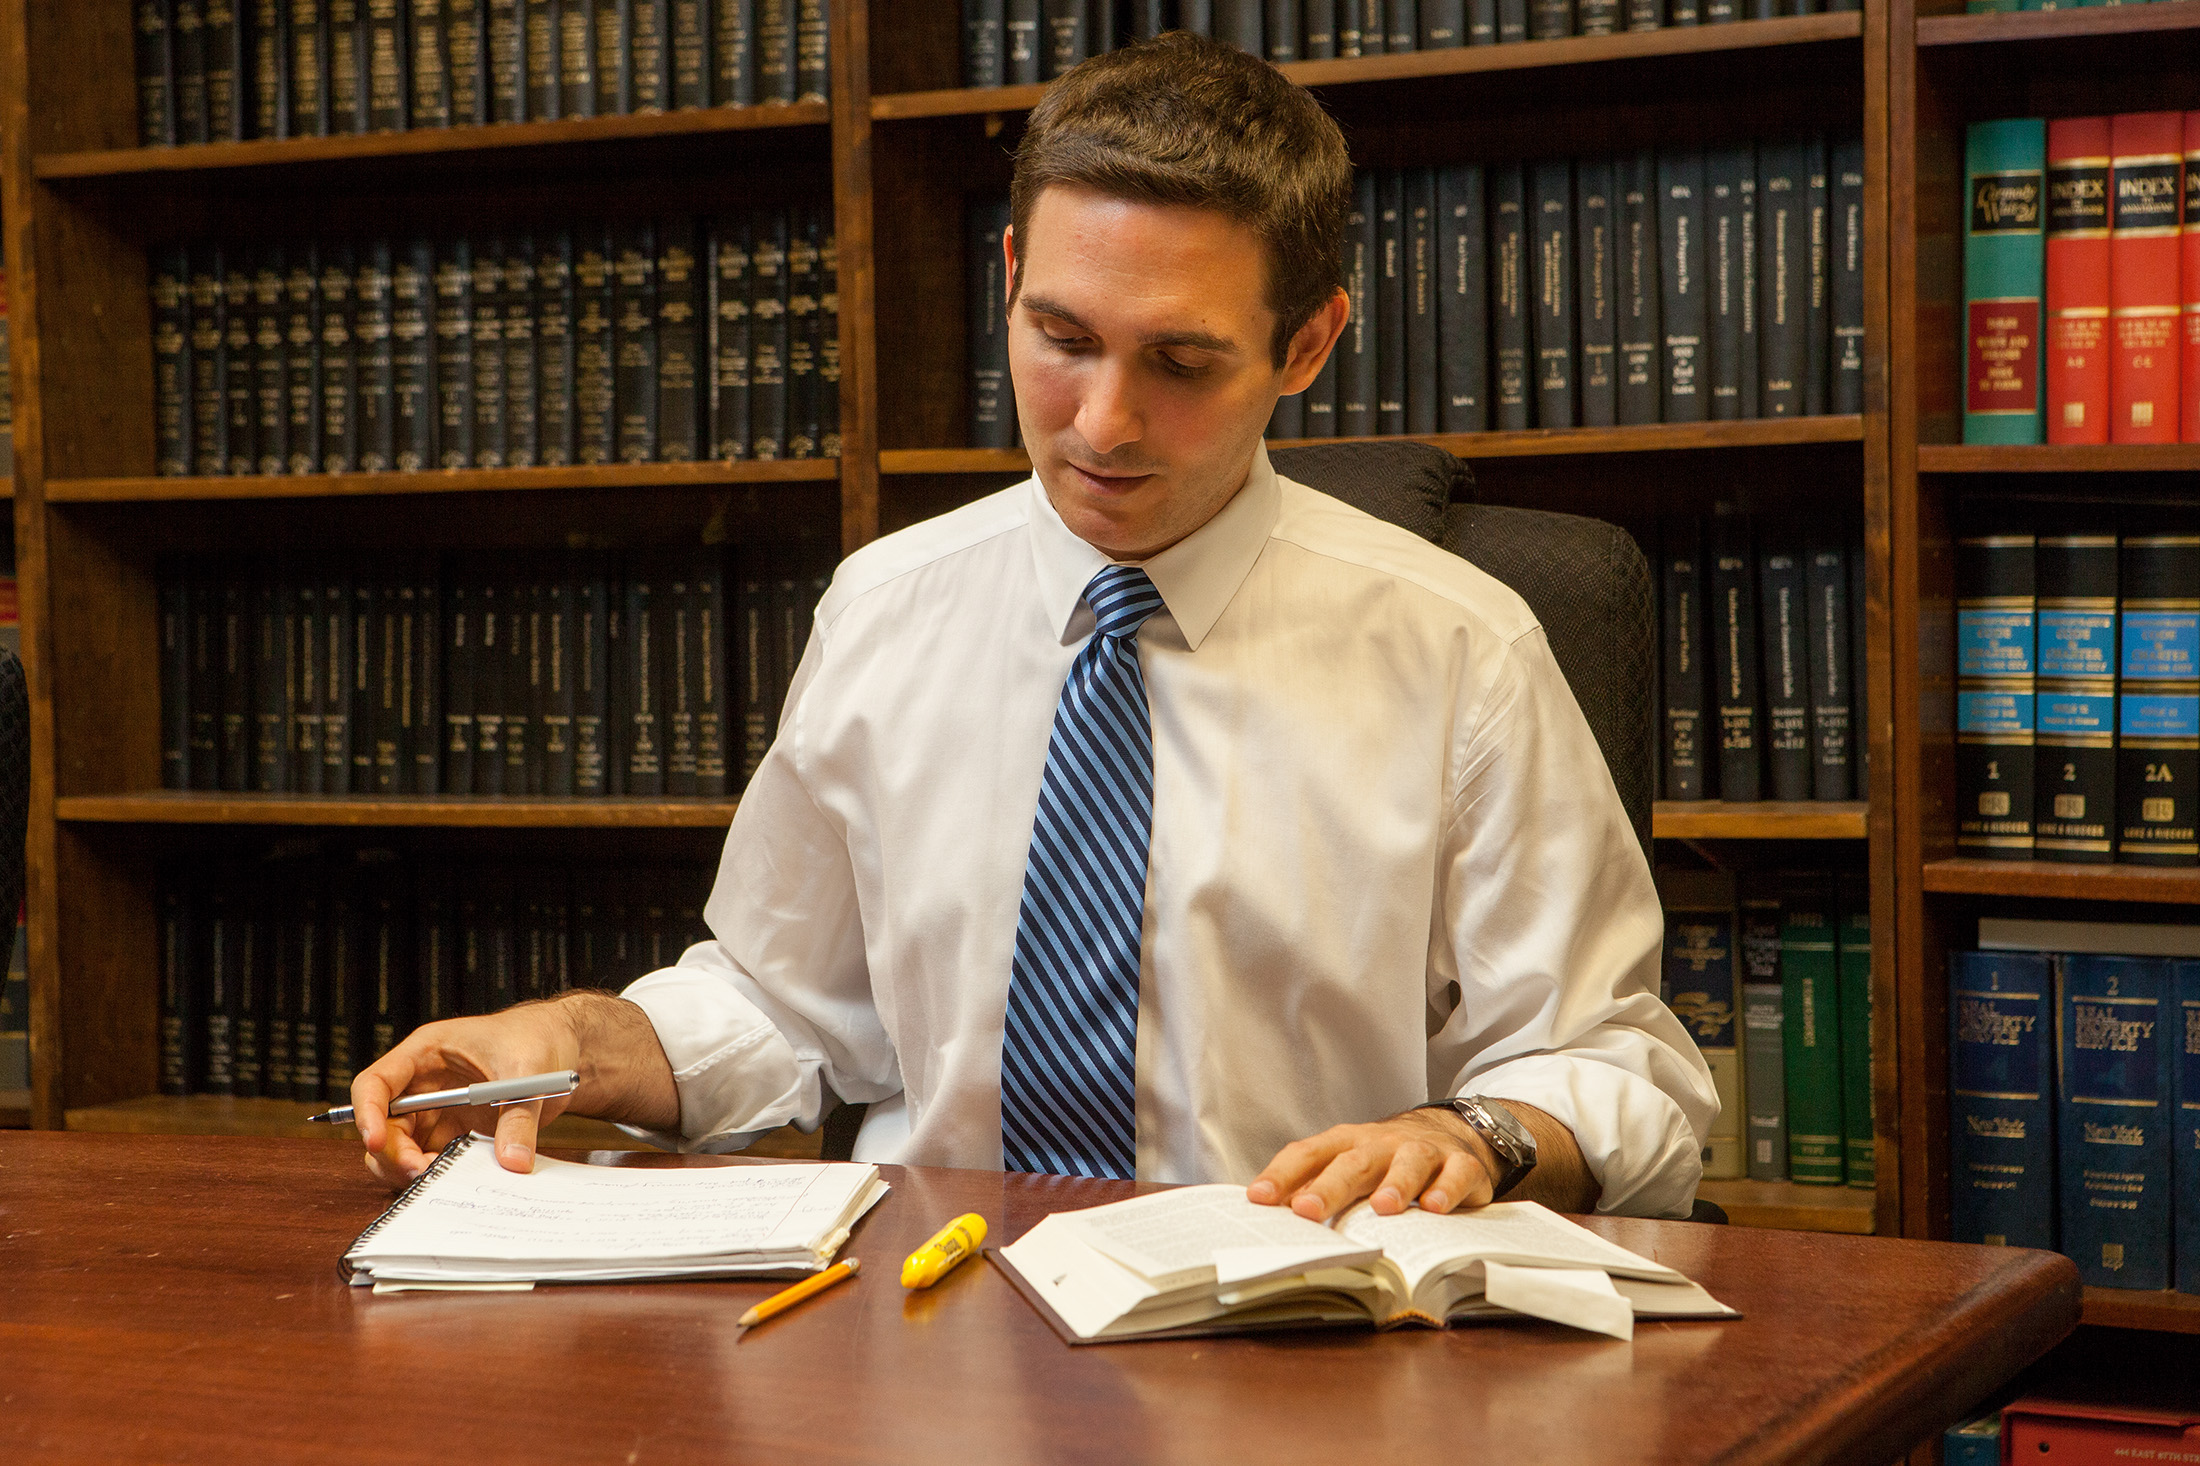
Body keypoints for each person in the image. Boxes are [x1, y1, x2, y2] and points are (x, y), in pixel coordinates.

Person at [353, 33, 1717, 1223]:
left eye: (1180, 362)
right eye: (1061, 336)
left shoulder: (1462, 653)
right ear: (1009, 272)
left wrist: (1465, 1137)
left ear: (1306, 346)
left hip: (1294, 1328)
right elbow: (784, 1008)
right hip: (927, 1321)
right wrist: (563, 1044)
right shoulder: (887, 607)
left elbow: (1616, 1074)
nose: (1102, 423)